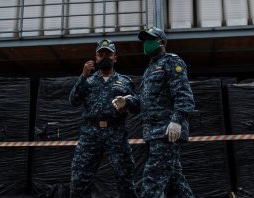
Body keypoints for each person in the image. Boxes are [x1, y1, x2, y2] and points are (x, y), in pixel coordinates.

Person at [112, 27, 195, 198]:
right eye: (145, 40)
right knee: (175, 184)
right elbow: (144, 102)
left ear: (162, 42)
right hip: (152, 134)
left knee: (152, 181)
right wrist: (127, 101)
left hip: (166, 132)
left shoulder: (172, 62)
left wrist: (177, 120)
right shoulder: (150, 69)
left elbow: (184, 95)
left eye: (151, 39)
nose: (146, 44)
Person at [69, 39, 138, 198]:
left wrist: (127, 101)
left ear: (115, 58)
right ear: (96, 58)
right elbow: (73, 101)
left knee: (125, 178)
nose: (105, 57)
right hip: (90, 134)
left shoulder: (124, 81)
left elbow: (138, 105)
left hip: (116, 133)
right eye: (101, 54)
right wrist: (83, 76)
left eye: (108, 54)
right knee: (79, 179)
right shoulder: (88, 80)